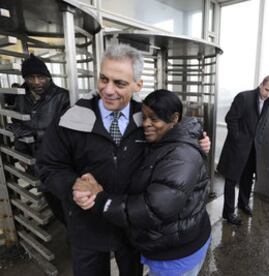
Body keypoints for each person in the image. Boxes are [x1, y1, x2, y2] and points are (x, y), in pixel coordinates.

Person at [38, 44, 211, 276]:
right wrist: (73, 187)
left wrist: (199, 140)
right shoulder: (70, 119)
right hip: (87, 227)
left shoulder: (148, 117)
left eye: (119, 83)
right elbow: (48, 166)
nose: (108, 90)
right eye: (103, 79)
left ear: (138, 85)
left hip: (131, 229)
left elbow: (178, 131)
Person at [74, 89, 211, 276]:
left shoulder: (181, 155)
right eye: (144, 117)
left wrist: (101, 199)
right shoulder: (164, 140)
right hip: (169, 243)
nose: (146, 124)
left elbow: (153, 208)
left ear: (174, 118)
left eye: (154, 119)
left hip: (177, 256)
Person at [8, 54, 70, 225]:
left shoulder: (63, 97)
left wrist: (34, 134)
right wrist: (21, 153)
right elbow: (17, 124)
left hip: (59, 163)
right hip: (35, 162)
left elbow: (65, 131)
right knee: (54, 204)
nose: (36, 82)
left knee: (69, 206)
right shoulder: (20, 96)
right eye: (30, 77)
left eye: (40, 77)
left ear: (48, 76)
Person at [217, 75, 269, 225]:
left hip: (253, 148)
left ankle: (243, 204)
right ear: (261, 85)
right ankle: (228, 213)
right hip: (237, 147)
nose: (267, 94)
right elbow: (230, 118)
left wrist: (259, 139)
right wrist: (237, 138)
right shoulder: (244, 97)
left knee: (247, 178)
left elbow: (263, 124)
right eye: (266, 89)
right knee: (231, 179)